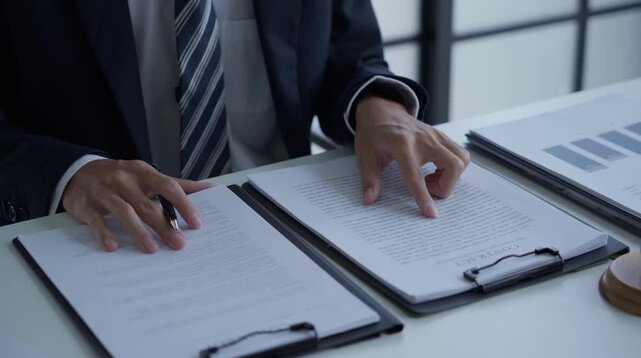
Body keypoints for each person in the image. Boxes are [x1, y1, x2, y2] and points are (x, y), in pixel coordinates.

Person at [0, 0, 469, 252]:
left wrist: (378, 104)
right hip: (102, 240)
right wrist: (71, 172)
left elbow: (347, 52)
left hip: (295, 229)